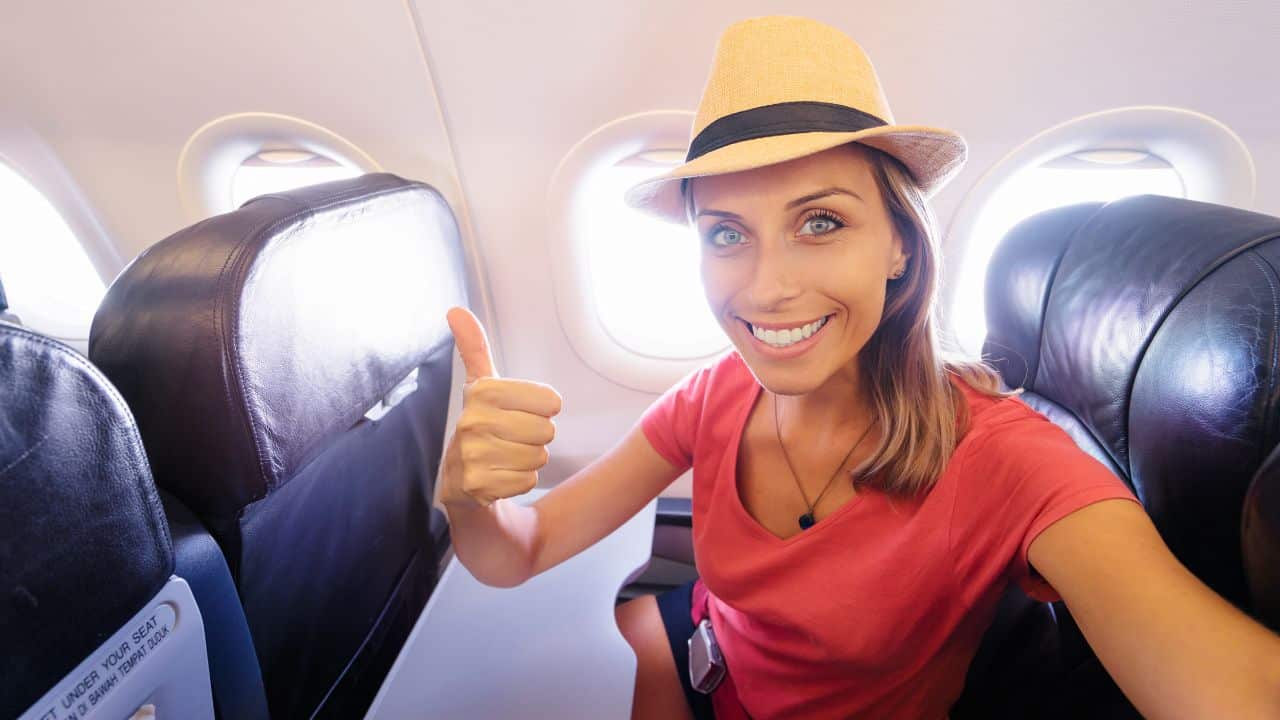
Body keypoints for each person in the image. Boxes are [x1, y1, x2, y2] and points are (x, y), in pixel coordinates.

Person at [440, 15, 1280, 720]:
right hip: (706, 663)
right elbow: (524, 550)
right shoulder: (714, 393)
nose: (767, 288)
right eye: (727, 234)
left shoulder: (1007, 462)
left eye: (820, 223)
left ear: (899, 248)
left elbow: (1229, 691)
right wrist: (466, 494)